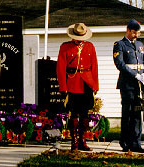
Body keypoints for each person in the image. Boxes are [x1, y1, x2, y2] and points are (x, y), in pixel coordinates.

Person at [56, 23, 99, 151]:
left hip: (87, 83)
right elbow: (60, 68)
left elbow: (94, 67)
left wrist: (95, 85)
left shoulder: (90, 47)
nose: (79, 40)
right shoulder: (65, 47)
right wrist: (63, 87)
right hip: (72, 83)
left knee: (85, 114)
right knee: (73, 114)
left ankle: (83, 141)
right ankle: (74, 142)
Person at [113, 19, 144, 153]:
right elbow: (120, 64)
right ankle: (125, 142)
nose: (136, 35)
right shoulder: (120, 44)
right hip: (127, 83)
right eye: (134, 32)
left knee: (137, 113)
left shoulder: (140, 45)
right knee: (128, 112)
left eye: (138, 33)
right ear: (128, 30)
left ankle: (136, 143)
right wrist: (135, 75)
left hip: (140, 84)